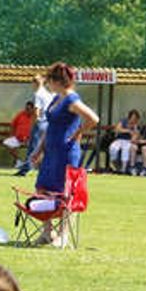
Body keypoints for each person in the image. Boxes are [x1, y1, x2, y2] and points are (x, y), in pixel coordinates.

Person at [30, 62, 98, 245]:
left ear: (57, 81)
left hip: (66, 153)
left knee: (65, 192)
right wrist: (39, 149)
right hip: (50, 152)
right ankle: (47, 233)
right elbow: (50, 127)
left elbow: (93, 118)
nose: (48, 84)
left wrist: (78, 133)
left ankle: (64, 235)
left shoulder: (72, 100)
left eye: (49, 80)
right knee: (42, 188)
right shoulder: (56, 98)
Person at [15, 74, 54, 175]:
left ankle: (25, 169)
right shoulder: (47, 94)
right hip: (47, 123)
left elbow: (36, 111)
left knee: (33, 147)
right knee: (44, 147)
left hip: (39, 123)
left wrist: (32, 124)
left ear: (34, 83)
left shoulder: (38, 94)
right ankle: (47, 168)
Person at [108, 109, 140, 174]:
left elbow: (135, 136)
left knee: (125, 149)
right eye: (132, 117)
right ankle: (114, 164)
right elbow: (117, 129)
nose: (133, 119)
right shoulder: (123, 121)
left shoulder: (136, 125)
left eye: (135, 118)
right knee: (113, 147)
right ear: (129, 116)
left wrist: (134, 131)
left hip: (128, 141)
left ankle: (123, 169)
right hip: (119, 140)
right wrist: (128, 131)